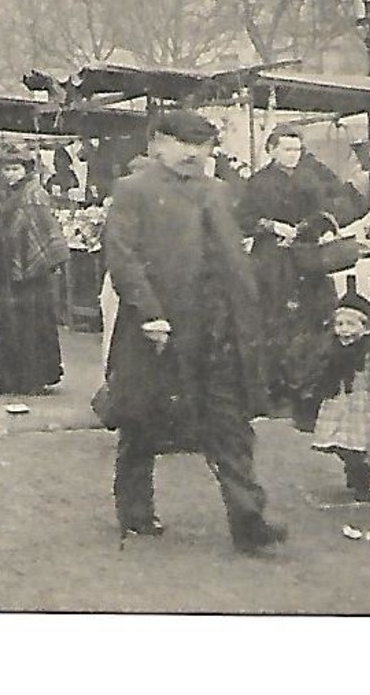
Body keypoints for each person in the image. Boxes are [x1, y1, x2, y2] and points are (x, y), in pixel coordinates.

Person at [98, 110, 286, 554]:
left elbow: (231, 257)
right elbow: (121, 256)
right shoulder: (133, 190)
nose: (193, 153)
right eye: (183, 143)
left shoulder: (217, 191)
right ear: (158, 144)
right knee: (143, 421)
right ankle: (135, 511)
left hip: (217, 330)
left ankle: (249, 520)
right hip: (159, 329)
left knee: (231, 425)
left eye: (202, 145)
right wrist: (149, 313)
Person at [235, 126, 344, 423]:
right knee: (272, 321)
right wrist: (271, 226)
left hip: (306, 258)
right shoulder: (257, 182)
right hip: (271, 261)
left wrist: (311, 227)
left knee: (309, 320)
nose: (293, 156)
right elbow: (242, 219)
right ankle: (272, 390)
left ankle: (304, 388)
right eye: (286, 149)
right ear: (271, 150)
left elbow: (330, 209)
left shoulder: (311, 178)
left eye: (297, 150)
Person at [0, 145, 70, 396]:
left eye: (15, 169)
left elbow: (41, 228)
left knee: (32, 324)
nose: (11, 174)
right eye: (7, 169)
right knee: (13, 323)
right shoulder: (8, 192)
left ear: (25, 169)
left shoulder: (33, 193)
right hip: (14, 266)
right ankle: (12, 376)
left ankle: (33, 377)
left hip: (34, 272)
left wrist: (36, 259)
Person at [309, 291, 370, 503]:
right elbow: (321, 369)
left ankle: (362, 485)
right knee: (340, 443)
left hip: (363, 404)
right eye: (339, 324)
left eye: (350, 324)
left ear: (365, 328)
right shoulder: (333, 348)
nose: (343, 331)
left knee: (361, 447)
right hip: (339, 401)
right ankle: (352, 469)